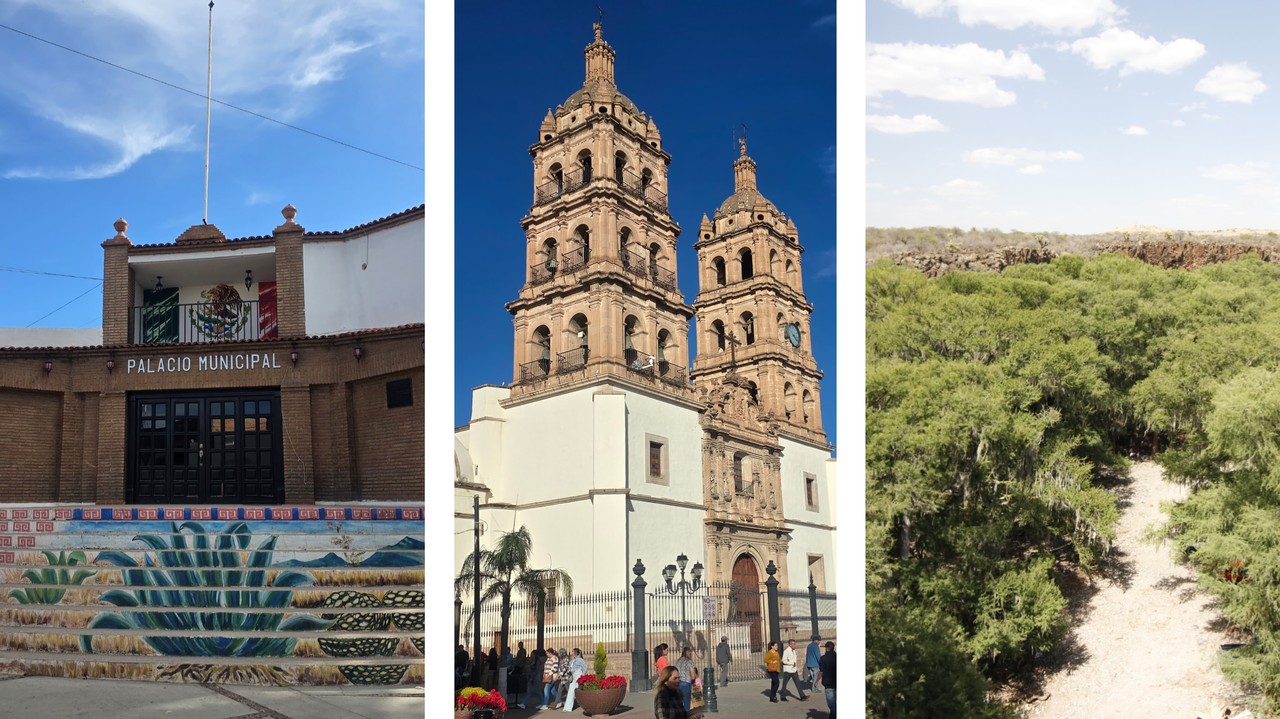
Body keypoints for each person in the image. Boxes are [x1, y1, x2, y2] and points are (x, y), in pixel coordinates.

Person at [563, 647, 588, 712]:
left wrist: (582, 676)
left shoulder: (580, 660)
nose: (571, 653)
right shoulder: (572, 660)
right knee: (571, 691)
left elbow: (585, 667)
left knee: (580, 692)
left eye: (572, 652)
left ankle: (587, 706)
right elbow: (570, 668)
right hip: (574, 677)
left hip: (578, 676)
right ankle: (567, 708)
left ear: (575, 653)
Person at [816, 640, 836, 719]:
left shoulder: (823, 658)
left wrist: (817, 680)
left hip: (829, 684)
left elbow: (821, 671)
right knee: (835, 703)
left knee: (831, 704)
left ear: (827, 648)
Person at [674, 646, 696, 712]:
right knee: (686, 705)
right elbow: (693, 676)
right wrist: (693, 681)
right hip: (686, 684)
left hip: (678, 683)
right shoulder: (690, 661)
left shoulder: (677, 661)